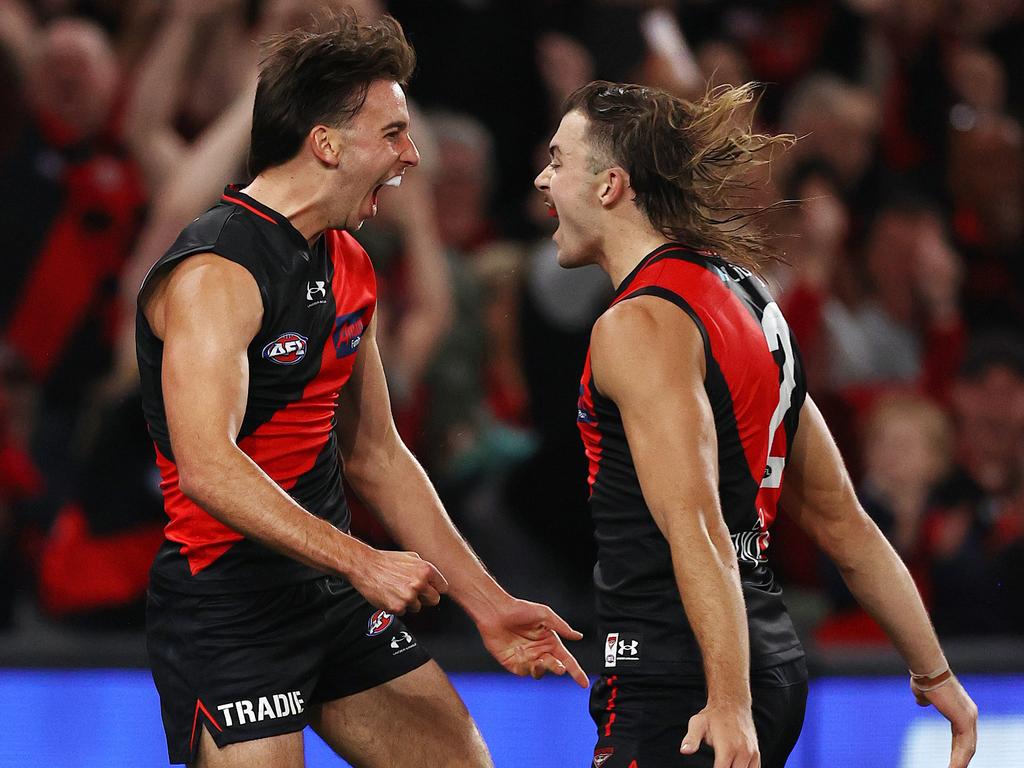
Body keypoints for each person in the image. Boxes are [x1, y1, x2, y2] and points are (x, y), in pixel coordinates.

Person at [136, 12, 586, 767]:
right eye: (394, 134)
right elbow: (207, 466)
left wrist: (489, 603)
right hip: (229, 602)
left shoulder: (348, 261)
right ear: (326, 143)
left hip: (329, 589)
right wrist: (360, 560)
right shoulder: (216, 272)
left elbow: (376, 453)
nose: (412, 156)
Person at [534, 80, 978, 768]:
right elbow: (842, 520)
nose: (542, 178)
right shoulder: (748, 296)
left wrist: (728, 701)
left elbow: (697, 521)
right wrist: (935, 674)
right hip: (767, 661)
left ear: (610, 186)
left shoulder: (639, 323)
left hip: (681, 678)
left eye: (559, 160)